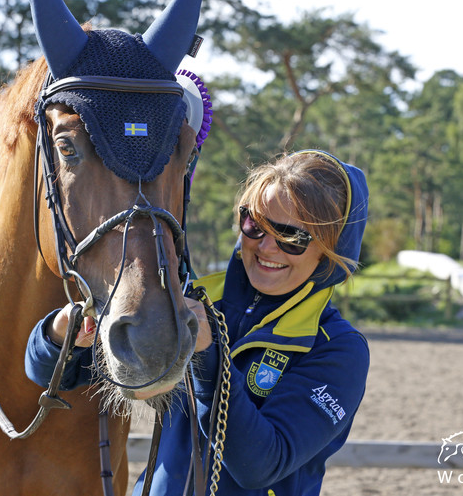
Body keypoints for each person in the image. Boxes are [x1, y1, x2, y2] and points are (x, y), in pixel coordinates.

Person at [25, 149, 370, 495]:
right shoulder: (192, 297)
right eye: (255, 224)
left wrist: (208, 352)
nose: (266, 247)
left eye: (292, 237)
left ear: (331, 250)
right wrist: (61, 336)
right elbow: (52, 375)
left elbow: (262, 465)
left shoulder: (338, 349)